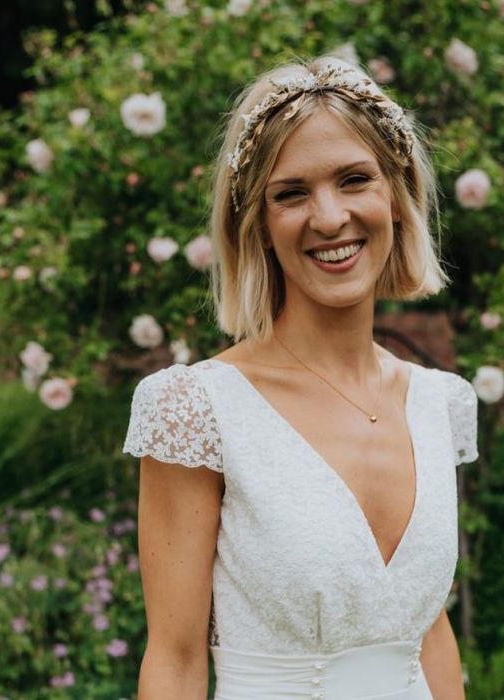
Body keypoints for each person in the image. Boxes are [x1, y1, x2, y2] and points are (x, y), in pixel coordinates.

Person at [123, 55, 478, 699]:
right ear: (257, 224)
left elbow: (429, 634)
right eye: (291, 193)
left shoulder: (439, 402)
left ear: (396, 196)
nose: (329, 217)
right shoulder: (195, 408)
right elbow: (174, 661)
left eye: (353, 180)